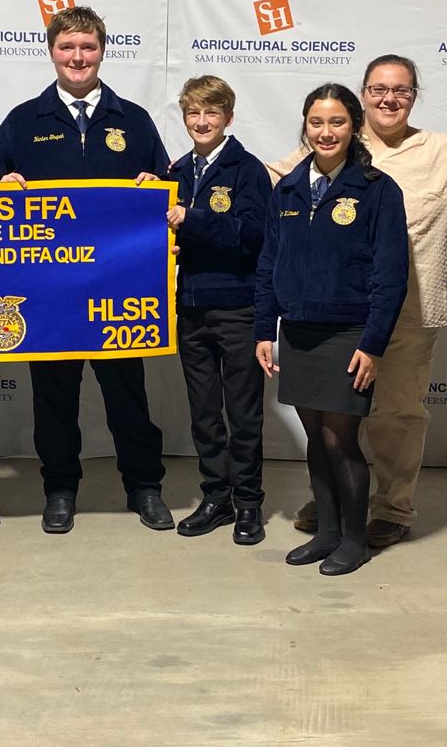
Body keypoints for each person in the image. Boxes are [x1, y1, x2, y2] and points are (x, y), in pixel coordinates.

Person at [0, 6, 172, 534]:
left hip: (119, 289)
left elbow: (163, 189)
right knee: (54, 400)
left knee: (128, 396)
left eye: (87, 47)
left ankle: (144, 487)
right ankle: (60, 489)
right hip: (46, 292)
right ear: (52, 52)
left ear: (102, 51)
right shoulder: (24, 119)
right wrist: (1, 185)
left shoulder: (132, 119)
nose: (78, 57)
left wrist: (151, 188)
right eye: (68, 47)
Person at [269, 56, 447, 546]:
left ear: (414, 95)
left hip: (411, 312)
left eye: (400, 90)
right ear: (363, 97)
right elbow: (265, 186)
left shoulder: (444, 150)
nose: (389, 99)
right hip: (344, 314)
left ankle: (392, 507)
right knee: (334, 421)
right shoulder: (333, 146)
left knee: (396, 414)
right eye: (378, 89)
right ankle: (335, 503)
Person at [255, 83, 408, 575]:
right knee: (315, 437)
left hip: (349, 334)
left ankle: (355, 539)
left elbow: (391, 277)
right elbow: (268, 265)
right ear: (306, 126)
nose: (326, 132)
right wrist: (264, 330)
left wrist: (373, 343)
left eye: (337, 122)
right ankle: (325, 532)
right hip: (297, 333)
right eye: (317, 122)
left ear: (355, 126)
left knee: (342, 440)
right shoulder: (288, 189)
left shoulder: (378, 190)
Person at [166, 76, 270, 545]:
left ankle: (249, 503)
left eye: (211, 113)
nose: (201, 121)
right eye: (193, 113)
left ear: (228, 117)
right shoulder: (177, 172)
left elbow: (253, 237)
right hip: (189, 308)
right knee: (204, 413)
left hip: (238, 307)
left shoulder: (247, 169)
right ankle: (216, 497)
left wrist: (195, 220)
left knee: (244, 414)